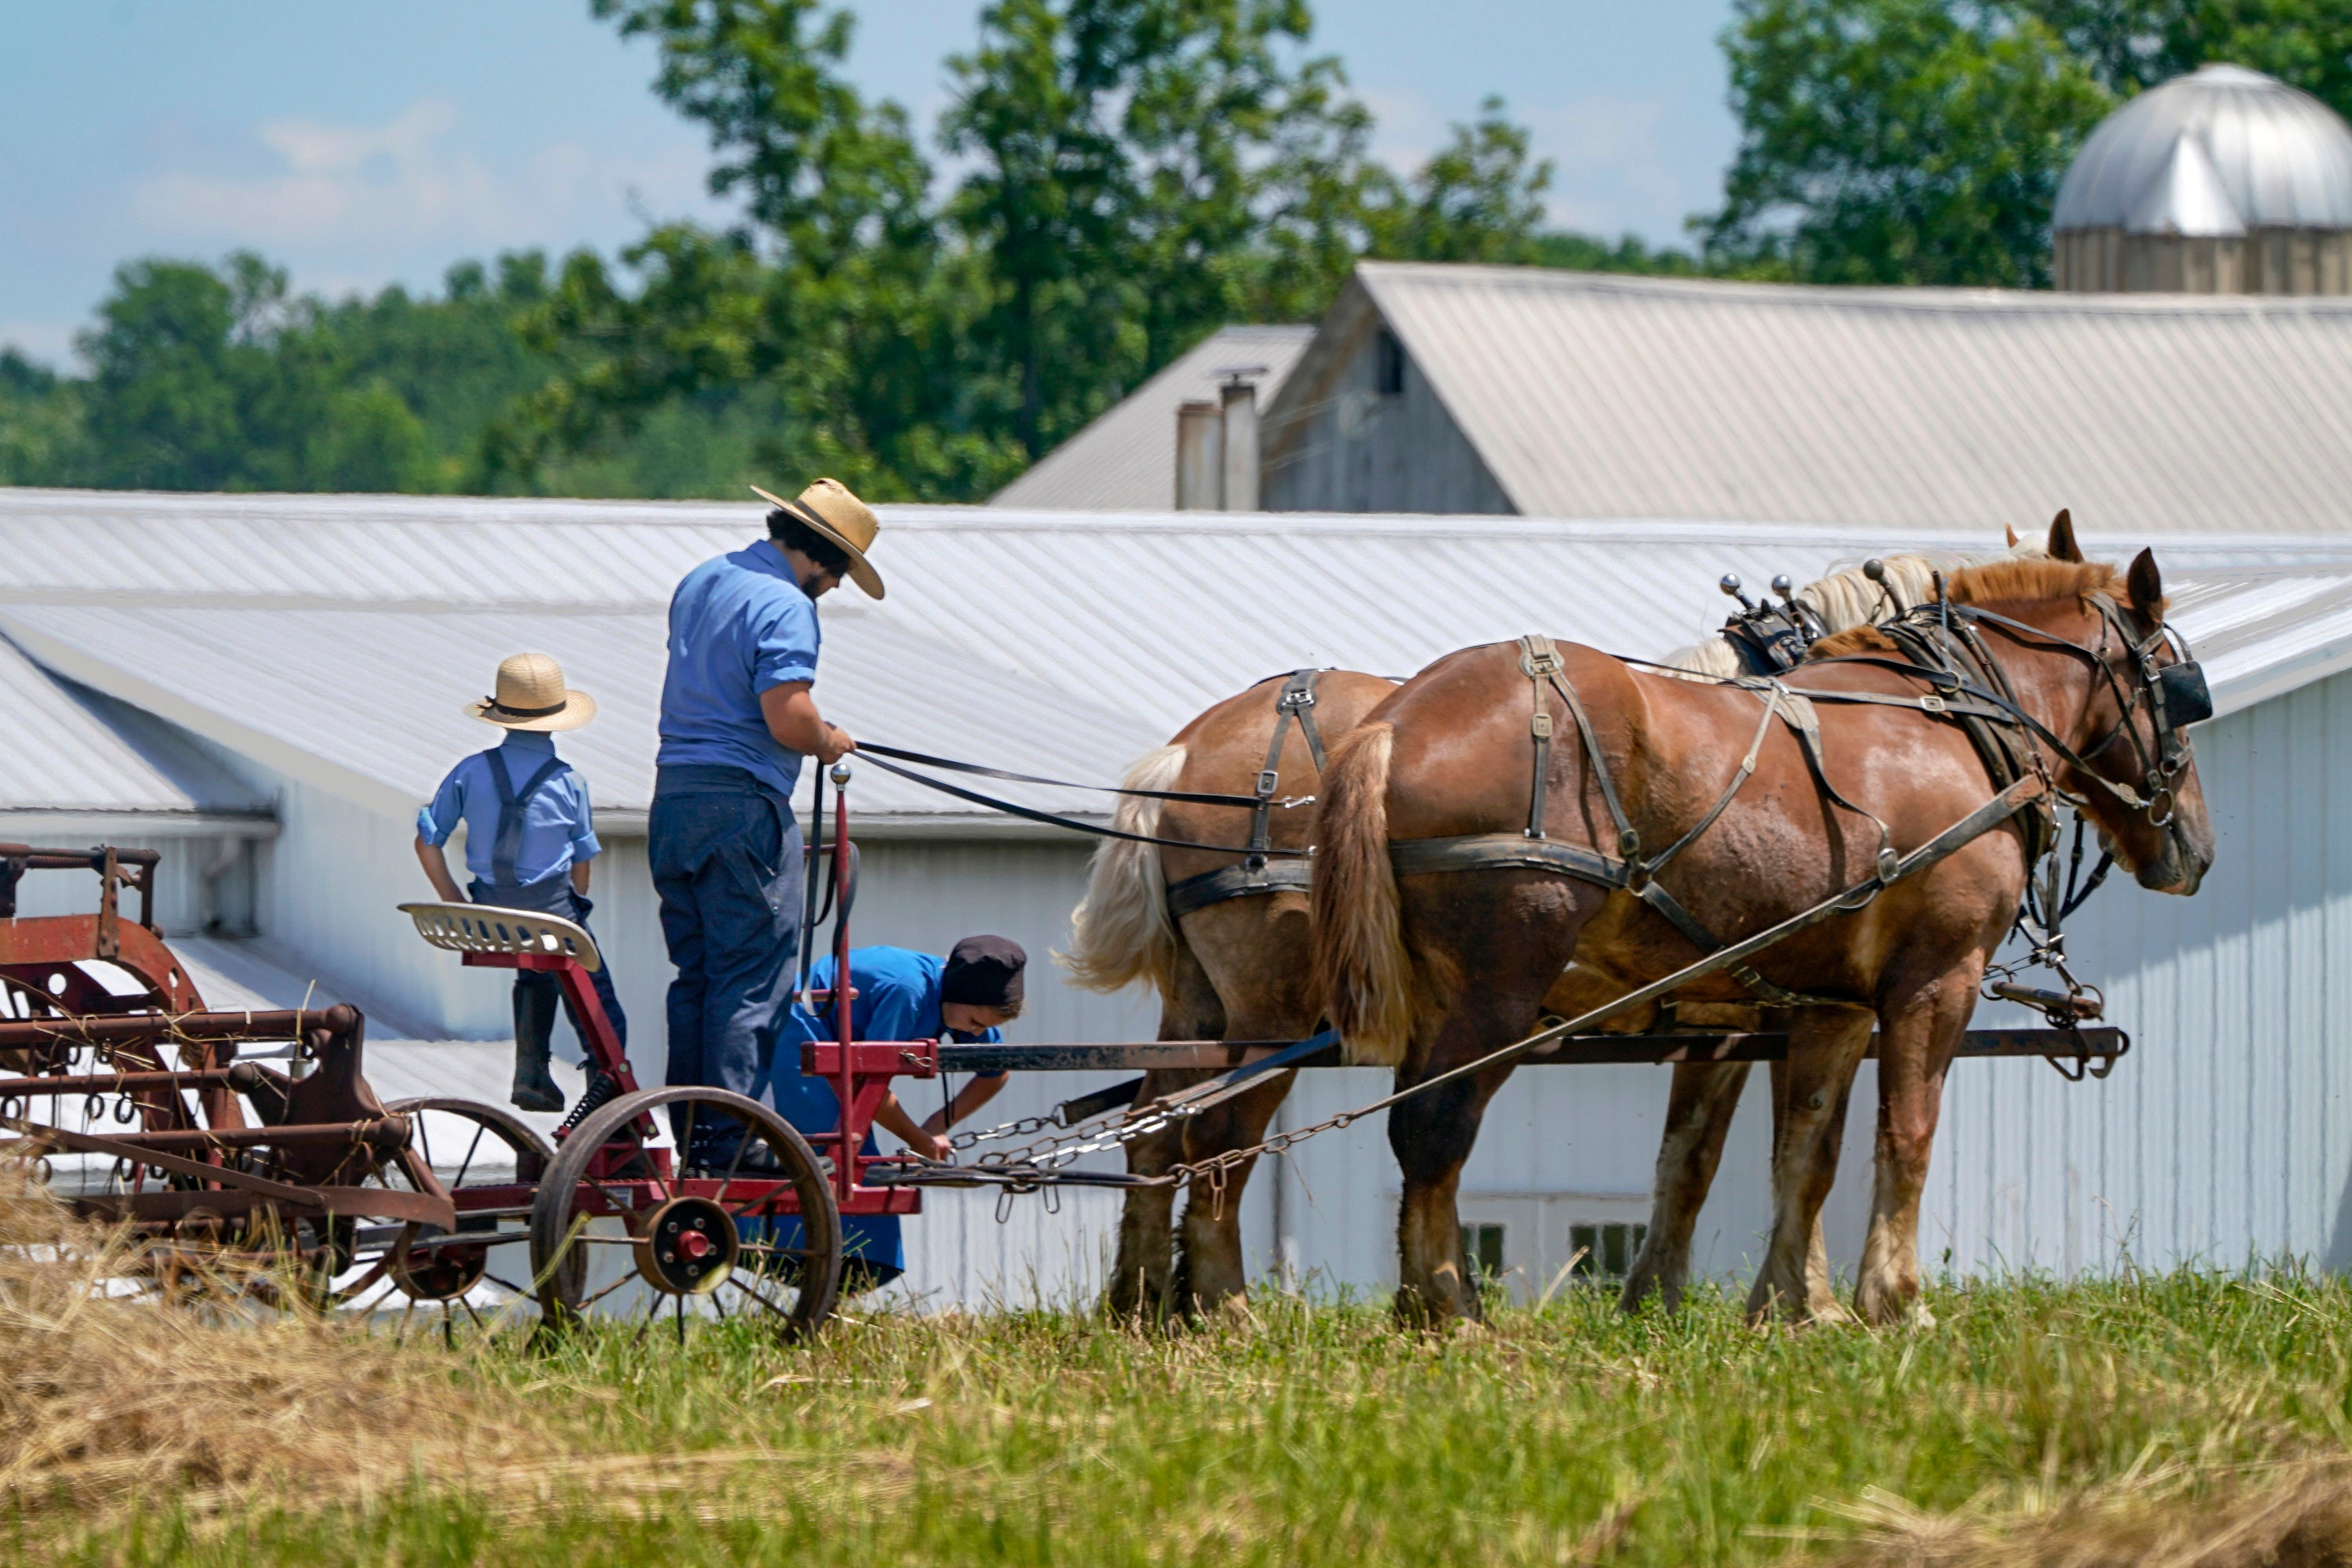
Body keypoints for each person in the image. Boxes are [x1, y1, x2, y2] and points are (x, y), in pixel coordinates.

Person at [649, 478, 880, 1168]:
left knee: (696, 975)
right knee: (753, 975)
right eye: (839, 571)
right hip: (741, 804)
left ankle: (693, 1130)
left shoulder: (704, 578)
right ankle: (729, 1137)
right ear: (821, 557)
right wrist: (829, 738)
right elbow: (787, 715)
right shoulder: (785, 602)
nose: (836, 587)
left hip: (675, 798)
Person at [414, 652, 626, 1113]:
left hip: (491, 914)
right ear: (557, 720)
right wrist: (575, 902)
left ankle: (530, 1070)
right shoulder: (570, 782)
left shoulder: (470, 771)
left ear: (501, 717)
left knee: (536, 969)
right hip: (553, 916)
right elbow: (582, 869)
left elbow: (426, 842)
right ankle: (606, 1088)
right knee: (594, 987)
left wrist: (454, 900)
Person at [763, 935, 1026, 1293]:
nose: (976, 1032)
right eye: (975, 1022)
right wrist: (919, 1140)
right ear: (959, 996)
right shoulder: (907, 992)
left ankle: (837, 1278)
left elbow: (996, 1073)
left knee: (854, 1159)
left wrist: (937, 1124)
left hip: (841, 1048)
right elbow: (865, 1086)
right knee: (833, 1156)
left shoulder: (964, 1002)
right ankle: (796, 1259)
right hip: (804, 1030)